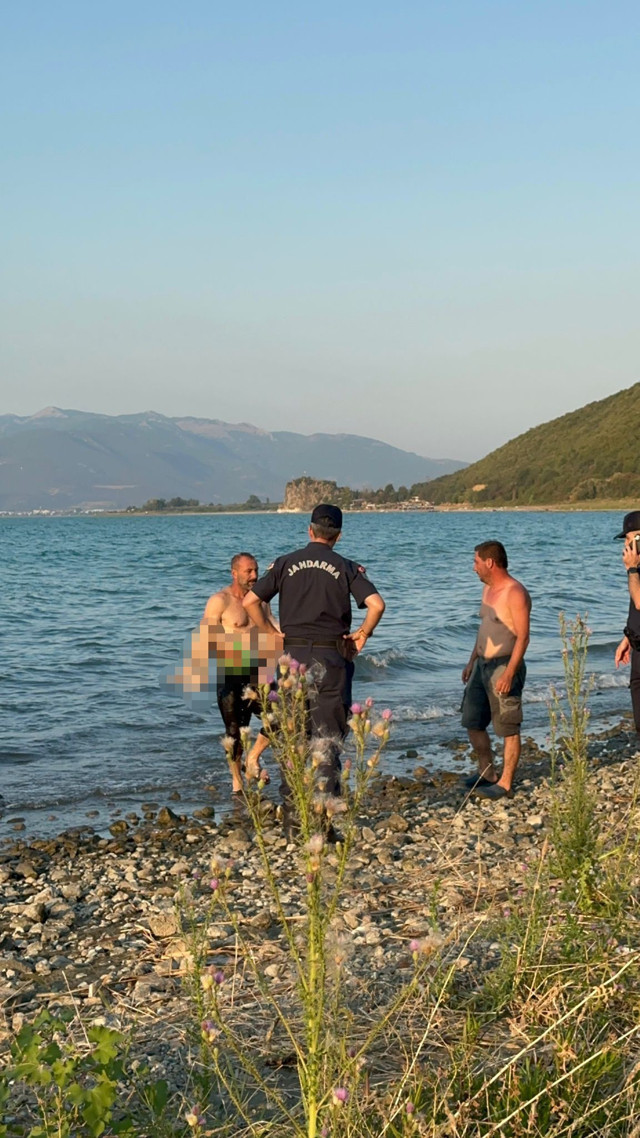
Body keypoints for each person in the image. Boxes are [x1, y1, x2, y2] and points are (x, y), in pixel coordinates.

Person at [242, 504, 385, 829]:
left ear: (310, 531)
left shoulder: (285, 563)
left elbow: (250, 601)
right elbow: (377, 604)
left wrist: (270, 633)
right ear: (338, 535)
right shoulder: (346, 566)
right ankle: (322, 823)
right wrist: (362, 635)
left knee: (292, 737)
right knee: (328, 739)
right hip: (330, 659)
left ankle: (294, 822)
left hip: (291, 659)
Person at [184, 553, 281, 793]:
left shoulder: (260, 599)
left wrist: (295, 638)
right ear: (234, 573)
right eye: (249, 571)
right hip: (229, 671)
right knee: (235, 732)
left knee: (280, 716)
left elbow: (272, 626)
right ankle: (237, 781)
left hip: (259, 669)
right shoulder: (220, 600)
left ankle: (253, 758)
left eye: (256, 570)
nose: (255, 576)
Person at [461, 540, 531, 800]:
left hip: (504, 664)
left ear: (489, 562)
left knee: (508, 727)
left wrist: (510, 672)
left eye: (476, 562)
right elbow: (484, 631)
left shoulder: (515, 592)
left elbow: (523, 637)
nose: (474, 568)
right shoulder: (488, 591)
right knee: (472, 721)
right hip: (481, 665)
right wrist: (471, 661)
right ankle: (487, 772)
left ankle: (505, 783)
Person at [614, 511, 640, 737]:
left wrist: (631, 569)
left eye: (628, 539)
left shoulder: (635, 570)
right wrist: (627, 637)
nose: (625, 545)